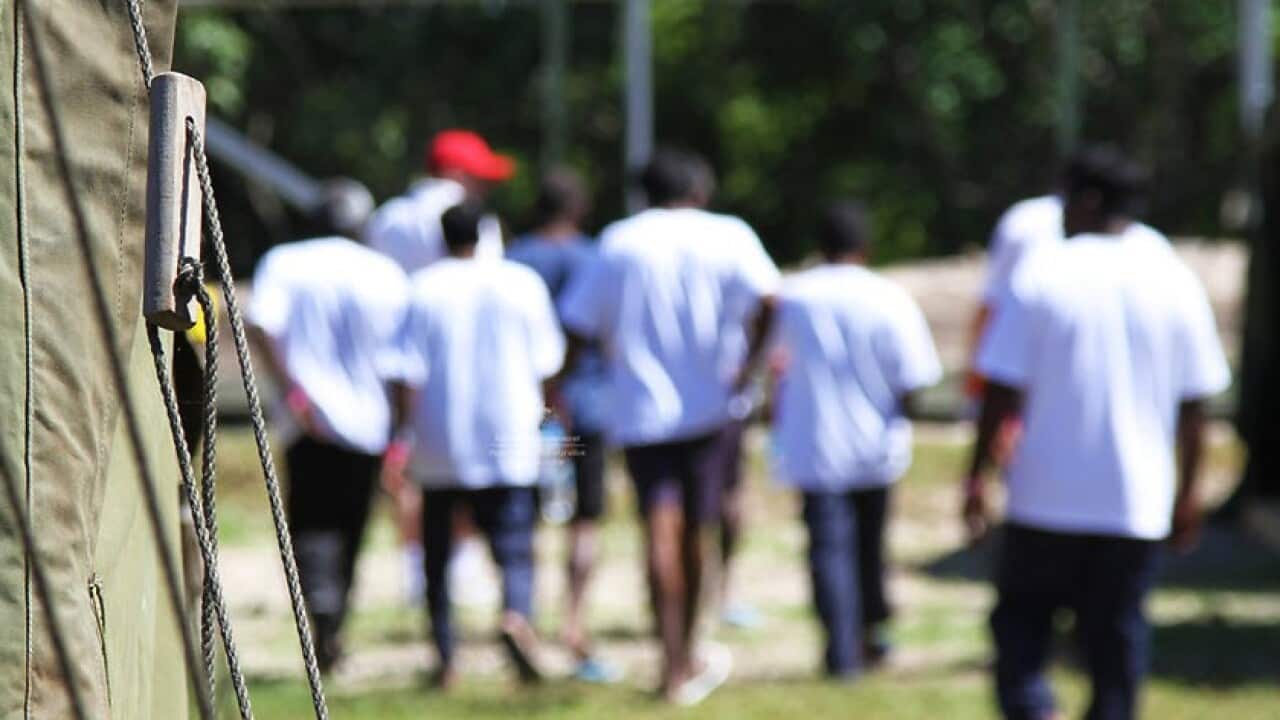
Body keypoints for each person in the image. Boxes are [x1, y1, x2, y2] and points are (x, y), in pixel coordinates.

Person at [964, 146, 1230, 720]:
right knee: (1115, 643)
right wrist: (1188, 493)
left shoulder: (1041, 272)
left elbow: (1000, 388)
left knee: (1021, 631)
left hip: (1045, 497)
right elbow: (1196, 406)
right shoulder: (1174, 279)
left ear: (1086, 202)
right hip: (1136, 501)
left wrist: (976, 476)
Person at [558, 149, 780, 704]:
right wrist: (749, 365)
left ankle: (670, 657)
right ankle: (690, 646)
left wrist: (559, 388)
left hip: (640, 407)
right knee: (697, 531)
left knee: (658, 528)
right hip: (712, 404)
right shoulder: (729, 234)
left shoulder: (619, 242)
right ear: (699, 189)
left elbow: (576, 322)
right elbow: (773, 299)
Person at [384, 203, 565, 689]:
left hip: (440, 437)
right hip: (509, 434)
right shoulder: (521, 283)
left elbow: (405, 374)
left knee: (438, 554)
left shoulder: (421, 288)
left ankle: (446, 658)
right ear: (486, 233)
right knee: (515, 546)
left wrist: (400, 435)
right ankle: (515, 615)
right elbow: (549, 363)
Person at [758, 201, 941, 677]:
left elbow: (768, 359)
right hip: (876, 446)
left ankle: (840, 651)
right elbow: (916, 378)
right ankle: (870, 635)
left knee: (828, 549)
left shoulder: (795, 297)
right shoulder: (889, 297)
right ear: (866, 247)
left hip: (816, 444)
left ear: (820, 246)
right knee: (870, 546)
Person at [246, 181, 409, 672]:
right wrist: (401, 428)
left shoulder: (286, 262)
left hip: (307, 420)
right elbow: (402, 364)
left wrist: (292, 390)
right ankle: (335, 623)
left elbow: (259, 324)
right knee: (352, 524)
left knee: (312, 523)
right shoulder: (386, 273)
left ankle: (322, 617)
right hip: (369, 423)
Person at [365, 128, 515, 606]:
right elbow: (486, 284)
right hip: (462, 353)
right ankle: (462, 561)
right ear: (455, 172)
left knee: (407, 460)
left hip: (398, 353)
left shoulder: (389, 217)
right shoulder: (476, 220)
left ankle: (415, 567)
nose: (483, 187)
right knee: (463, 458)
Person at [506, 169, 619, 683]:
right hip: (587, 406)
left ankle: (521, 614)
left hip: (529, 408)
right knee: (584, 519)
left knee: (524, 516)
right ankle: (573, 623)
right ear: (579, 209)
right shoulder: (594, 258)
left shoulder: (515, 259)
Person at [364, 129, 512, 273]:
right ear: (454, 172)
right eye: (478, 180)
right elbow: (487, 275)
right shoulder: (473, 217)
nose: (485, 189)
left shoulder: (385, 215)